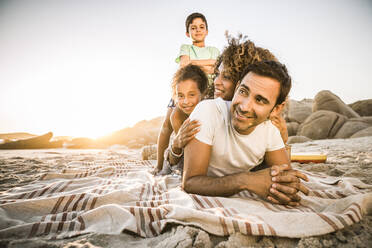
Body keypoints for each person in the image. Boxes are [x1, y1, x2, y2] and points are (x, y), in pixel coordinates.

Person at [182, 60, 309, 206]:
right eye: (243, 92)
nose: (244, 107)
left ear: (276, 109)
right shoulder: (208, 111)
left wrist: (284, 188)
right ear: (236, 88)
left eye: (260, 100)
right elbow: (190, 182)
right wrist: (244, 180)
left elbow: (286, 180)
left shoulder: (269, 130)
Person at [155, 12, 219, 174]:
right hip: (183, 89)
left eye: (201, 27)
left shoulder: (213, 50)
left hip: (206, 91)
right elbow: (184, 66)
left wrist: (193, 63)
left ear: (207, 31)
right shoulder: (186, 48)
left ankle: (192, 155)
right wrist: (206, 65)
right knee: (168, 123)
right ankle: (160, 164)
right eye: (193, 28)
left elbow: (216, 67)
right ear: (187, 32)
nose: (198, 30)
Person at [157, 64, 208, 175]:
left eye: (191, 95)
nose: (185, 101)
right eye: (181, 96)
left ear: (203, 94)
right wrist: (159, 167)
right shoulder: (177, 116)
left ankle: (151, 151)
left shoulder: (209, 109)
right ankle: (155, 156)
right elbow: (183, 155)